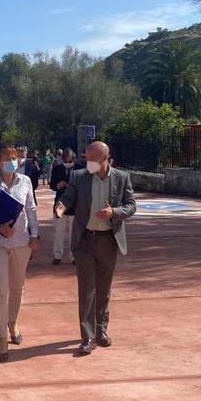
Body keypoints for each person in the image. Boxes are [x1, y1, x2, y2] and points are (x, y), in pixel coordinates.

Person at [55, 141, 136, 357]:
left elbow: (131, 205)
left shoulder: (121, 177)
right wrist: (61, 206)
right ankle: (87, 337)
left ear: (104, 159)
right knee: (87, 290)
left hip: (109, 239)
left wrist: (115, 211)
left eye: (91, 159)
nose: (87, 162)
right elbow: (68, 197)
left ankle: (101, 331)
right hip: (85, 241)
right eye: (86, 158)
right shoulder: (79, 177)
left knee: (104, 289)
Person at [0, 147, 38, 362]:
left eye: (14, 158)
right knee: (0, 290)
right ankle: (2, 338)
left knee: (17, 288)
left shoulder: (25, 181)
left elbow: (31, 209)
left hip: (21, 242)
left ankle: (12, 323)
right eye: (7, 159)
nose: (11, 162)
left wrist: (35, 235)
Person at [50, 148, 82, 265]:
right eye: (65, 161)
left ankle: (74, 256)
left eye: (70, 161)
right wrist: (58, 185)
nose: (68, 163)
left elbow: (83, 186)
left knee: (74, 233)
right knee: (59, 231)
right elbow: (52, 185)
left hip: (75, 205)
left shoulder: (80, 169)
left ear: (74, 159)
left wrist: (70, 186)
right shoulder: (57, 169)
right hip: (60, 204)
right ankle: (57, 255)